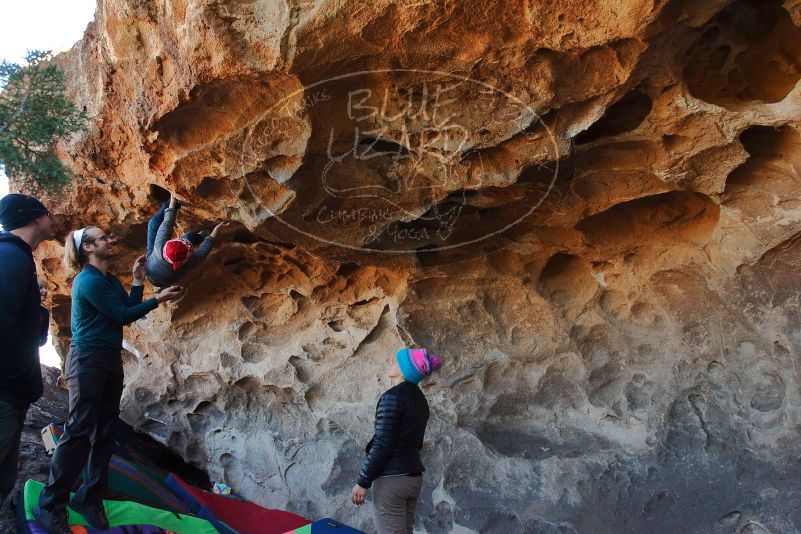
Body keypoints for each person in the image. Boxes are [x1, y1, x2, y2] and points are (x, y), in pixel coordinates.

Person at [33, 226, 185, 533]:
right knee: (78, 430)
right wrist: (160, 299)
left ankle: (90, 498)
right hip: (88, 360)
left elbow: (128, 308)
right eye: (102, 238)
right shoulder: (87, 281)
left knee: (104, 431)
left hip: (107, 359)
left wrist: (139, 279)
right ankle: (50, 504)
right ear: (88, 248)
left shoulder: (109, 280)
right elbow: (122, 316)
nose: (109, 240)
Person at [352, 347, 443, 534]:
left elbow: (383, 443)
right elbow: (415, 443)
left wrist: (363, 481)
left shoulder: (392, 397)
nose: (391, 364)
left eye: (396, 362)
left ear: (404, 370)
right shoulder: (420, 400)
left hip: (391, 482)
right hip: (413, 478)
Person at [0, 194, 54, 507]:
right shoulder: (9, 256)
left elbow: (35, 338)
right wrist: (20, 375)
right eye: (47, 213)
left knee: (5, 479)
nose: (52, 219)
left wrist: (38, 307)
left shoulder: (18, 258)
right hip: (5, 393)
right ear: (34, 217)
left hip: (12, 394)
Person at [145, 195, 228, 288]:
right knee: (189, 236)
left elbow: (167, 223)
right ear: (188, 258)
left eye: (180, 240)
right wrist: (216, 229)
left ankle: (176, 202)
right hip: (165, 281)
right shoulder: (190, 264)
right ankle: (203, 235)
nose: (181, 238)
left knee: (153, 224)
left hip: (149, 265)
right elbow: (206, 248)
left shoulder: (159, 246)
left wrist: (172, 199)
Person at [38, 277, 50, 347]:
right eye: (40, 287)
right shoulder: (21, 309)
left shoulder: (45, 312)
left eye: (46, 287)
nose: (45, 290)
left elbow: (44, 338)